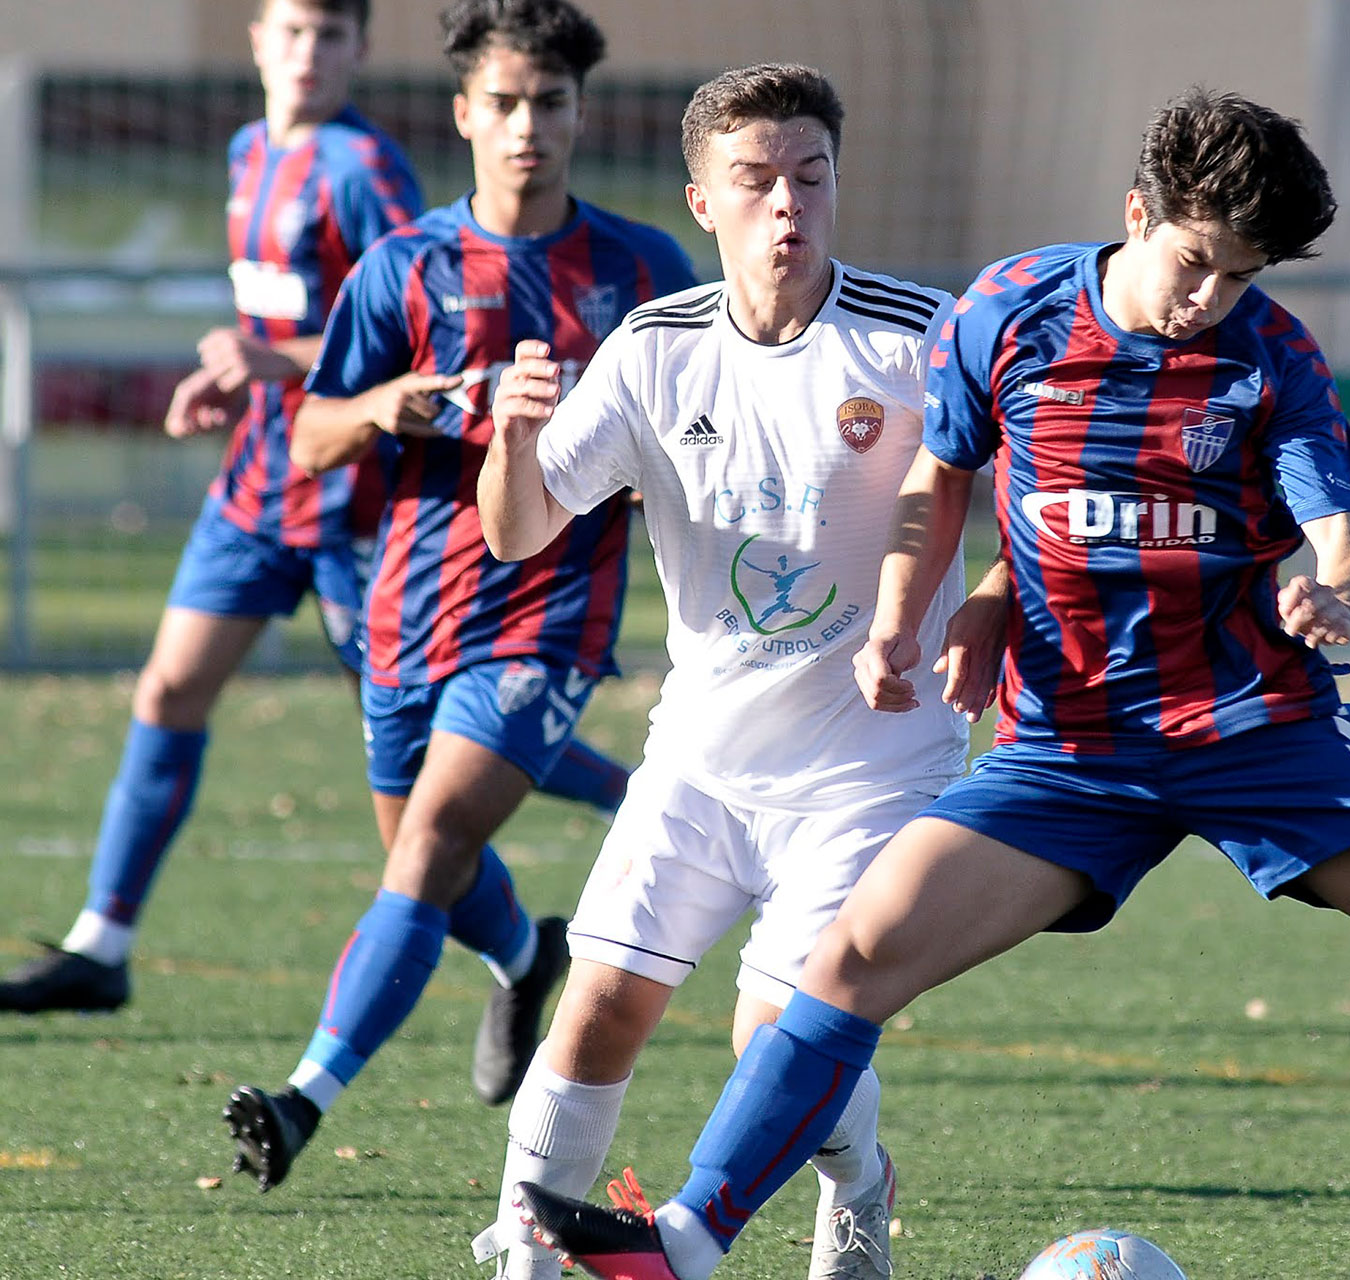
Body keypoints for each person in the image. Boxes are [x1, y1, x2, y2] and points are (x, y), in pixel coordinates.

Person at [514, 90, 1350, 1276]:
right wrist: (911, 614)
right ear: (1136, 210)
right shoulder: (1010, 311)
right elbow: (944, 478)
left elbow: (1338, 520)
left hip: (1259, 731)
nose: (1206, 299)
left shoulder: (1269, 355)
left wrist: (1334, 580)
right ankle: (687, 1239)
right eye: (1194, 263)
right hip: (1072, 754)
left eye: (1240, 276)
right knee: (851, 959)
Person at [470, 63, 1008, 1280]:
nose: (788, 206)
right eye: (756, 180)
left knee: (775, 1031)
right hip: (704, 757)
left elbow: (1034, 495)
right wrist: (509, 433)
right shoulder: (654, 351)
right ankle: (530, 1249)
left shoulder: (920, 335)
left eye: (810, 178)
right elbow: (518, 527)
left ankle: (859, 1181)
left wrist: (982, 602)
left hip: (875, 763)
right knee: (598, 1003)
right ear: (702, 200)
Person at [0, 0, 636, 1019]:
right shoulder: (251, 149)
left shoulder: (362, 170)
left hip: (359, 503)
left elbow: (411, 333)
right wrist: (242, 369)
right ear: (256, 40)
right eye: (290, 31)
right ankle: (102, 941)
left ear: (359, 50)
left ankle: (607, 833)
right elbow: (297, 320)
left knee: (427, 762)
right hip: (259, 482)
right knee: (168, 689)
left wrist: (277, 362)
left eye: (329, 36)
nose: (307, 54)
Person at [220, 0, 697, 1192]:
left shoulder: (644, 271)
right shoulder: (405, 267)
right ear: (463, 115)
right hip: (406, 613)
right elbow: (317, 436)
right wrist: (389, 404)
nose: (526, 125)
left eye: (549, 102)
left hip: (548, 618)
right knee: (429, 861)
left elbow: (708, 424)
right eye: (503, 103)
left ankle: (303, 1097)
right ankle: (525, 952)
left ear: (581, 113)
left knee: (430, 838)